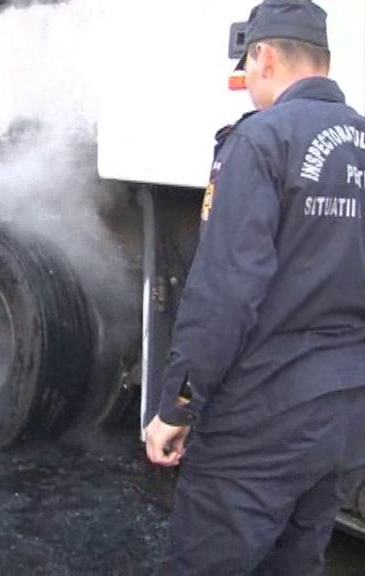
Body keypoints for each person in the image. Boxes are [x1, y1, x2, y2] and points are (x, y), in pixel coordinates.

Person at [145, 1, 365, 573]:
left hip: (262, 417)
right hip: (346, 414)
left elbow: (224, 296)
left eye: (246, 66)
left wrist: (177, 406)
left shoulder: (261, 141)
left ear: (264, 57)